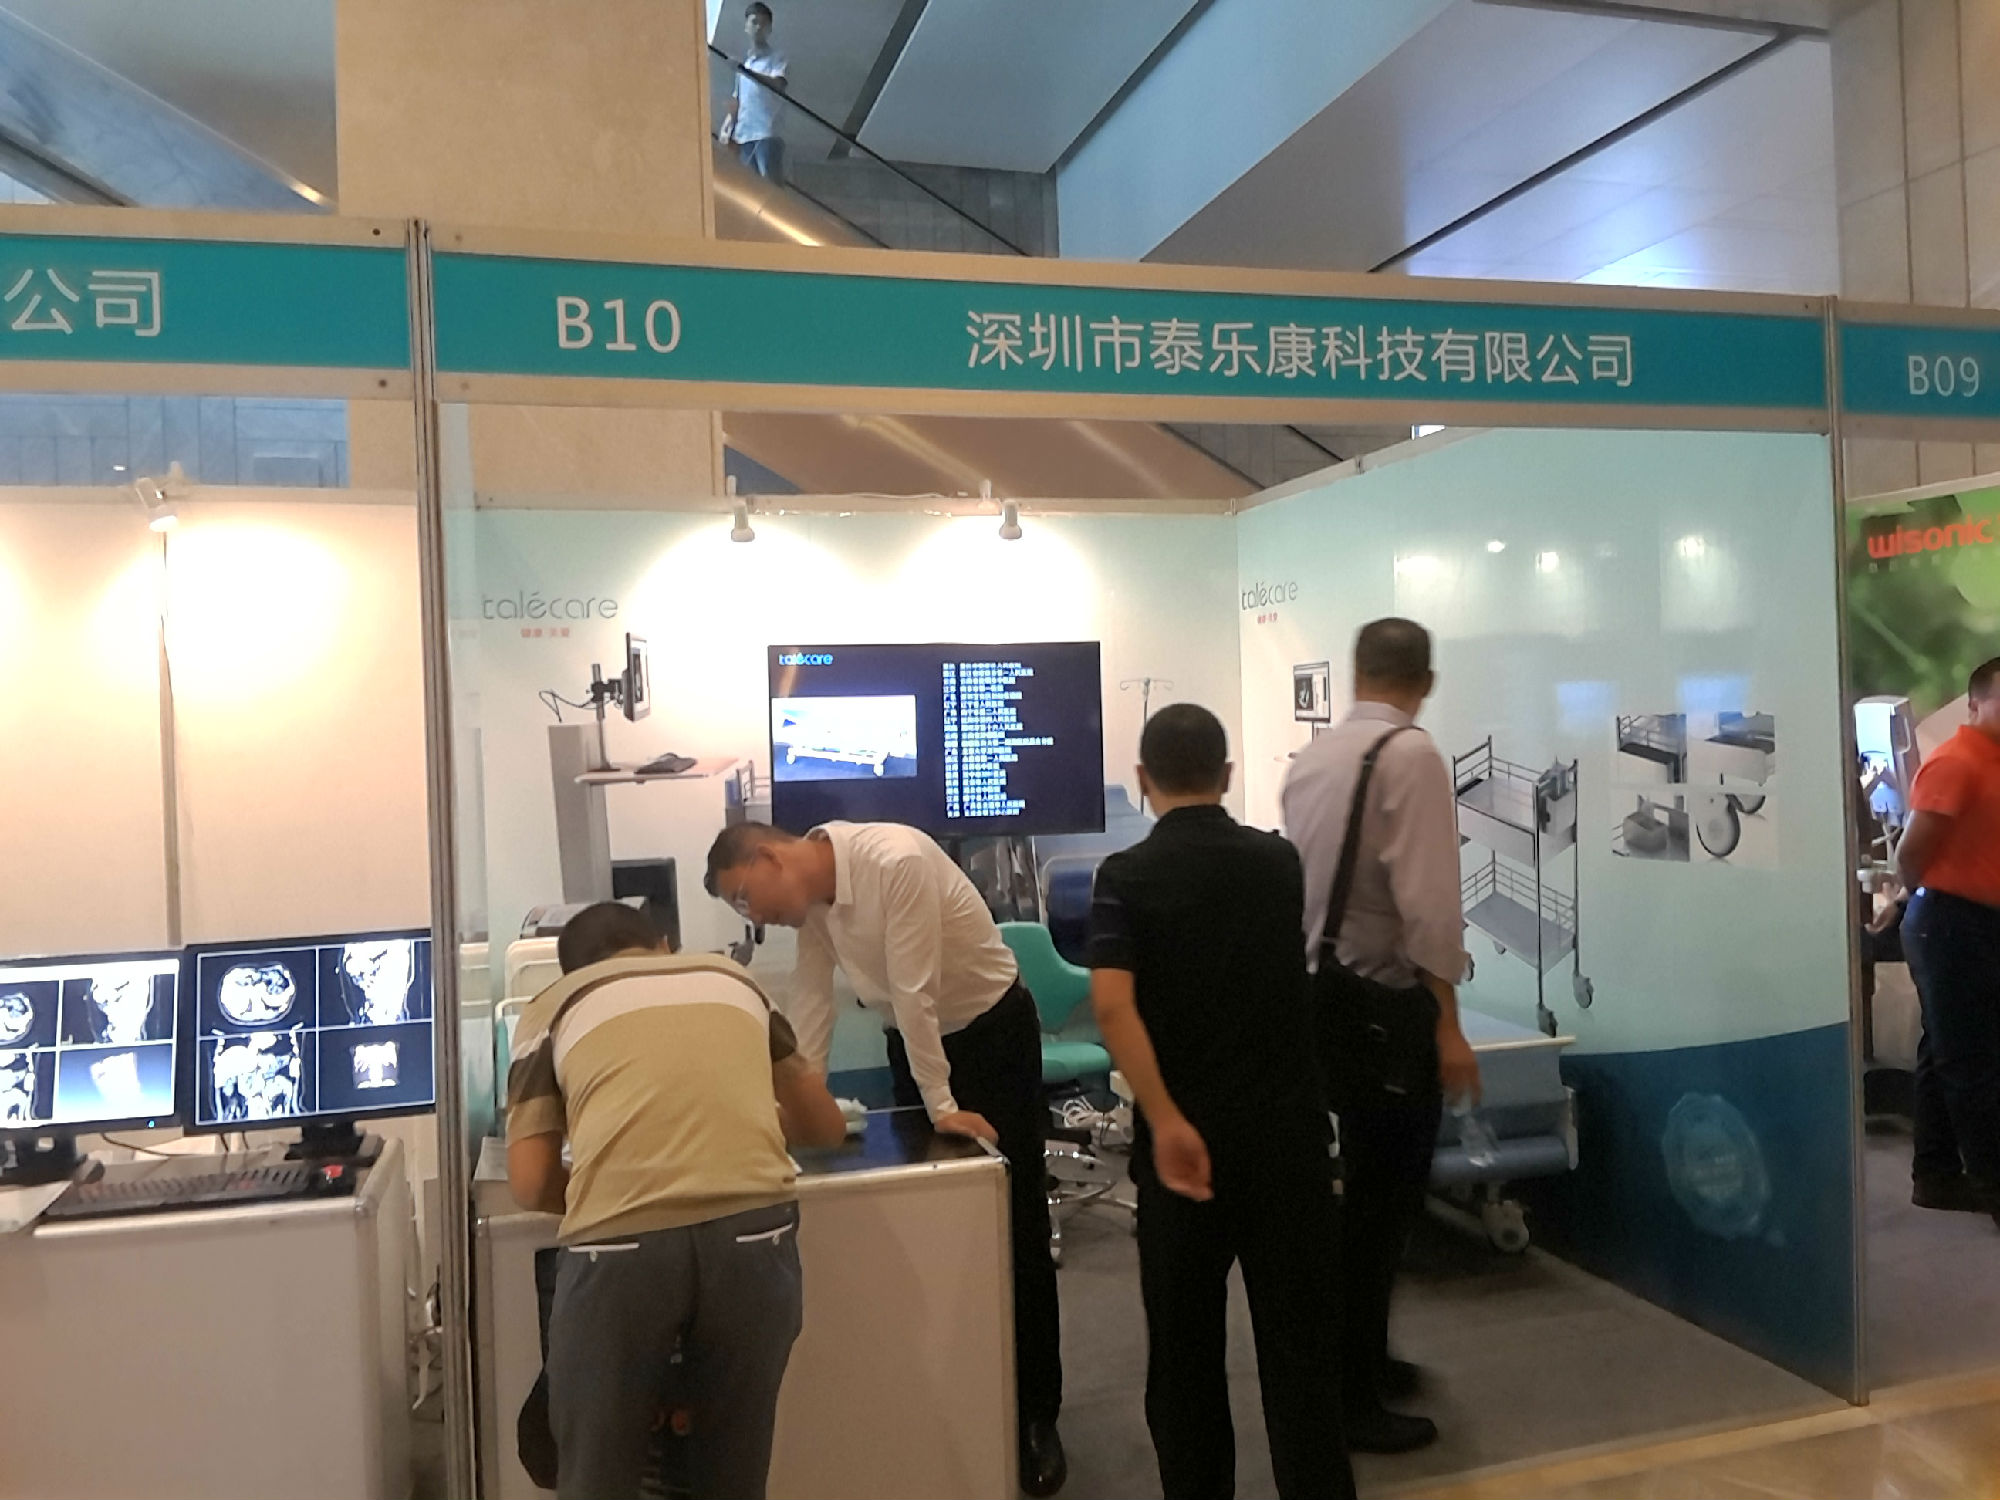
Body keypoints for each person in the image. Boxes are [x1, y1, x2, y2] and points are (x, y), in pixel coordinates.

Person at [703, 820, 1068, 1497]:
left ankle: (1036, 1415)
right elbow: (811, 1001)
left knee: (1014, 1223)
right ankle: (961, 1396)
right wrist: (798, 1103)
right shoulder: (814, 904)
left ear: (769, 856)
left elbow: (914, 987)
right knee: (933, 1219)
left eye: (743, 897)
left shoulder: (894, 861)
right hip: (916, 1045)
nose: (753, 917)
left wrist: (942, 1105)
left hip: (990, 1033)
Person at [1087, 704, 1355, 1500]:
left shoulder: (1124, 877)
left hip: (1183, 1157)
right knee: (1302, 1356)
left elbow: (1113, 1007)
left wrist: (1167, 1120)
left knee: (1185, 1360)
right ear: (1228, 776)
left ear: (1142, 779)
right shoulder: (1279, 863)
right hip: (1285, 1144)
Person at [505, 901, 846, 1500]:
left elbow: (530, 1182)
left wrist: (613, 1183)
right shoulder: (734, 979)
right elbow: (825, 1126)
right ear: (663, 945)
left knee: (597, 1475)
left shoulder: (553, 1005)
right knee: (733, 1476)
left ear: (573, 970)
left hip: (619, 1252)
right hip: (756, 1235)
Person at [1281, 617, 1480, 1455]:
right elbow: (1429, 907)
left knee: (1355, 1197)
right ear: (1424, 682)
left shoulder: (1314, 757)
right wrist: (1449, 1024)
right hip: (1382, 1009)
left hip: (1317, 997)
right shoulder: (1412, 756)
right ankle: (1352, 1396)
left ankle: (1357, 1359)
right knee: (1382, 1206)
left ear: (1357, 673)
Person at [1896, 657, 2000, 1219]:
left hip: (1979, 921)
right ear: (1975, 704)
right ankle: (1991, 1184)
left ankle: (1934, 1176)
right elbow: (1910, 853)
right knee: (1971, 1063)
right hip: (1950, 920)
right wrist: (1926, 896)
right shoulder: (1957, 762)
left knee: (1946, 1052)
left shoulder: (1992, 762)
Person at [721, 3, 788, 182]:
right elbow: (738, 100)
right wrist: (728, 128)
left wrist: (745, 71)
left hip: (767, 132)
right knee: (749, 187)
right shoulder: (746, 63)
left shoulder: (777, 58)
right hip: (744, 135)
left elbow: (778, 84)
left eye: (763, 24)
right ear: (746, 26)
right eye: (754, 22)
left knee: (770, 187)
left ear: (769, 29)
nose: (758, 28)